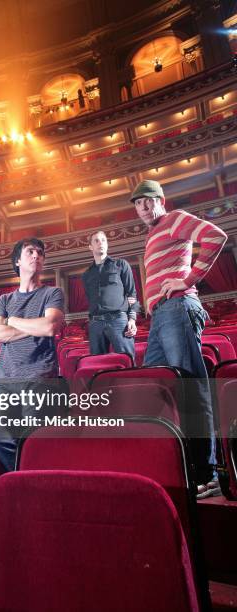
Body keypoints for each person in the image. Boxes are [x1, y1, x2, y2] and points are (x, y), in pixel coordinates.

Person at [131, 179, 227, 497]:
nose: (143, 207)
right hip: (161, 315)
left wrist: (187, 280)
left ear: (161, 200)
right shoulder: (152, 234)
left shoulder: (174, 219)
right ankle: (175, 464)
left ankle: (207, 472)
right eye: (137, 204)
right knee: (156, 390)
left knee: (189, 389)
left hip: (179, 308)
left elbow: (215, 236)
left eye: (148, 201)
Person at [0, 238, 65, 470]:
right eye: (31, 251)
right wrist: (33, 325)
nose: (37, 256)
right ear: (17, 261)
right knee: (2, 439)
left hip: (40, 376)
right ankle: (21, 478)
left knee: (34, 439)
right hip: (6, 380)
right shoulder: (4, 300)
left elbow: (50, 327)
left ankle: (35, 481)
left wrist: (12, 321)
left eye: (40, 253)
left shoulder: (53, 293)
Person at [82, 230, 137, 360]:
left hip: (118, 320)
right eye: (96, 240)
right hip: (95, 323)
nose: (100, 243)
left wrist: (132, 319)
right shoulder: (86, 275)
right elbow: (90, 299)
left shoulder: (121, 265)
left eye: (103, 240)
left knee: (127, 361)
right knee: (98, 366)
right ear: (90, 247)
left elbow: (131, 293)